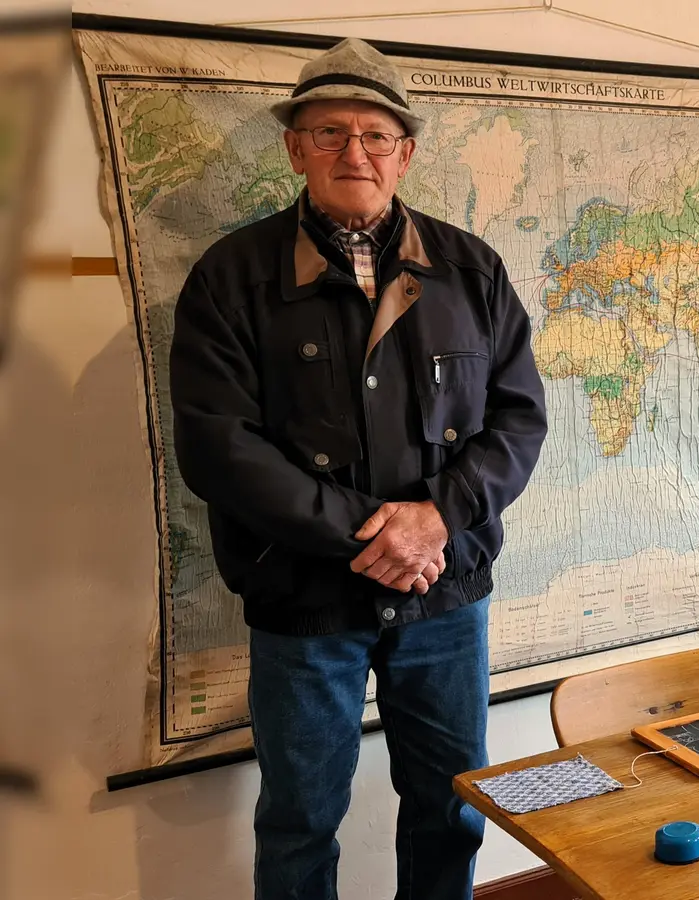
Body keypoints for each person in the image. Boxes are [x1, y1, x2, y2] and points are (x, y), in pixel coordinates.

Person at [168, 38, 547, 900]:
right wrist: (378, 536)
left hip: (444, 597)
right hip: (304, 599)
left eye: (376, 135)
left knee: (451, 805)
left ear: (406, 153)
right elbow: (218, 447)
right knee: (299, 819)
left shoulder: (471, 268)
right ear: (294, 147)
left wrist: (436, 518)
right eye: (329, 131)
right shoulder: (230, 277)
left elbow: (519, 418)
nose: (355, 152)